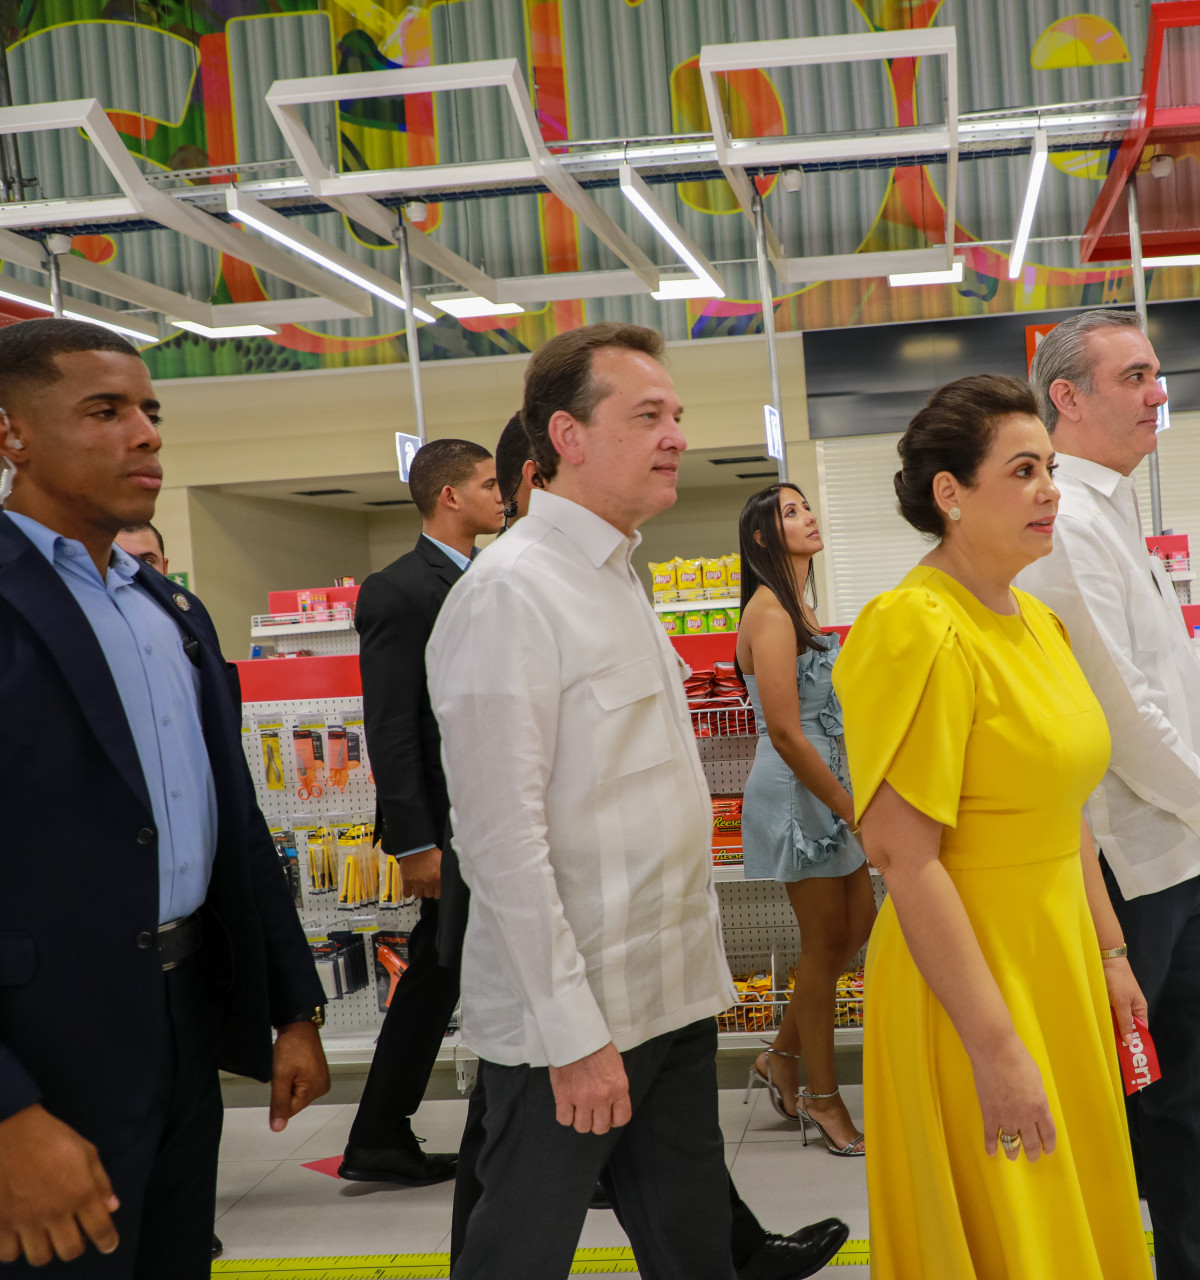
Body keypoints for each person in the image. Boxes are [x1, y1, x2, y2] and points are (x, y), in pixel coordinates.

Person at [0, 318, 329, 1278]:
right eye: (104, 412)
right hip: (22, 1058)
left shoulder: (168, 610)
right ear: (9, 433)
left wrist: (291, 1006)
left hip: (179, 1032)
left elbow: (232, 822)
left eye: (149, 410)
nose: (145, 434)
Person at [432, 324, 846, 1280]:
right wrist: (574, 1036)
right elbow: (500, 841)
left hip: (669, 995)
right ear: (567, 436)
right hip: (574, 1023)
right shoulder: (511, 594)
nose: (676, 436)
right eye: (649, 415)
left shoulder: (619, 578)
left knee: (694, 1246)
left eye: (677, 415)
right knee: (518, 1255)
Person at [834, 374, 1151, 1280]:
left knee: (1073, 1209)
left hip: (1057, 960)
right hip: (970, 982)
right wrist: (996, 1047)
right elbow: (902, 856)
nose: (1050, 490)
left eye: (1050, 468)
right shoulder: (915, 627)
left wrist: (1111, 953)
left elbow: (1067, 810)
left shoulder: (1038, 622)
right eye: (1022, 471)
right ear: (951, 493)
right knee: (1012, 1221)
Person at [1017, 309, 1200, 1280]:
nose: (1159, 392)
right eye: (1135, 376)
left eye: (1158, 374)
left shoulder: (1112, 512)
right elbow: (1118, 708)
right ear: (1067, 398)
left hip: (1173, 858)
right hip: (1125, 868)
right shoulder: (1067, 524)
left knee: (1197, 1091)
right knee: (1128, 1099)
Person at [339, 439, 507, 1186]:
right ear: (449, 496)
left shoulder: (490, 575)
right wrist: (414, 842)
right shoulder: (399, 590)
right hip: (446, 824)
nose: (502, 495)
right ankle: (385, 1133)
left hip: (490, 812)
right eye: (488, 484)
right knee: (447, 968)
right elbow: (392, 726)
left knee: (441, 970)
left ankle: (379, 1133)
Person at [734, 483, 872, 1157]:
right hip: (797, 792)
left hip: (829, 782)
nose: (809, 516)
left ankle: (781, 1057)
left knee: (858, 926)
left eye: (807, 505)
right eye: (791, 513)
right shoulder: (770, 613)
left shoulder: (800, 606)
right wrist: (849, 807)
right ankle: (823, 1097)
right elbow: (787, 733)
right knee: (823, 946)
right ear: (763, 537)